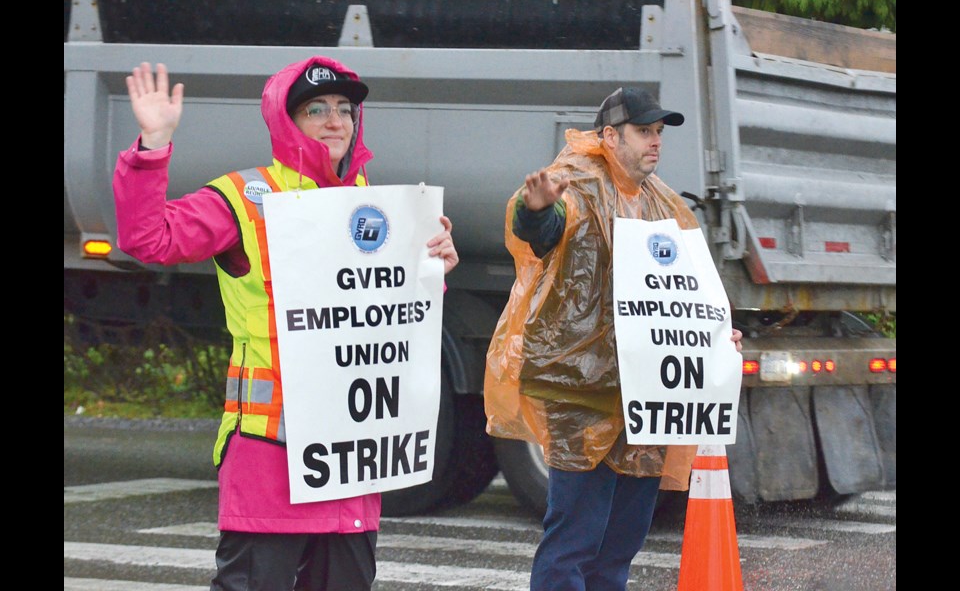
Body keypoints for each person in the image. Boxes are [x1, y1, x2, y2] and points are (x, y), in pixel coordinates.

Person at [112, 57, 459, 591]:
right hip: (270, 456)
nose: (335, 120)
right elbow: (148, 239)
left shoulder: (378, 207)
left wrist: (434, 266)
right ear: (284, 120)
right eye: (315, 109)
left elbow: (391, 323)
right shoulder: (245, 198)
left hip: (351, 460)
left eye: (345, 109)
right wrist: (153, 145)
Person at [483, 87, 743, 591]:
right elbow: (545, 230)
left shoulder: (660, 202)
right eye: (644, 131)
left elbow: (684, 291)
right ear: (608, 135)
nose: (656, 142)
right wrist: (536, 210)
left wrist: (711, 337)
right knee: (575, 539)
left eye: (659, 133)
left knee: (621, 544)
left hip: (644, 397)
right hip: (580, 393)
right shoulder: (578, 185)